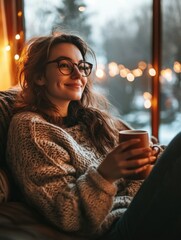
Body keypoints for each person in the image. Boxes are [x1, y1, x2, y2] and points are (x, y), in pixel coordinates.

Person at [6, 32, 181, 240]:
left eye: (81, 66)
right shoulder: (31, 129)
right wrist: (106, 174)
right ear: (39, 76)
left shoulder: (92, 120)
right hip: (114, 229)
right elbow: (67, 215)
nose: (78, 74)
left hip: (141, 209)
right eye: (64, 65)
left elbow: (148, 165)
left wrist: (152, 159)